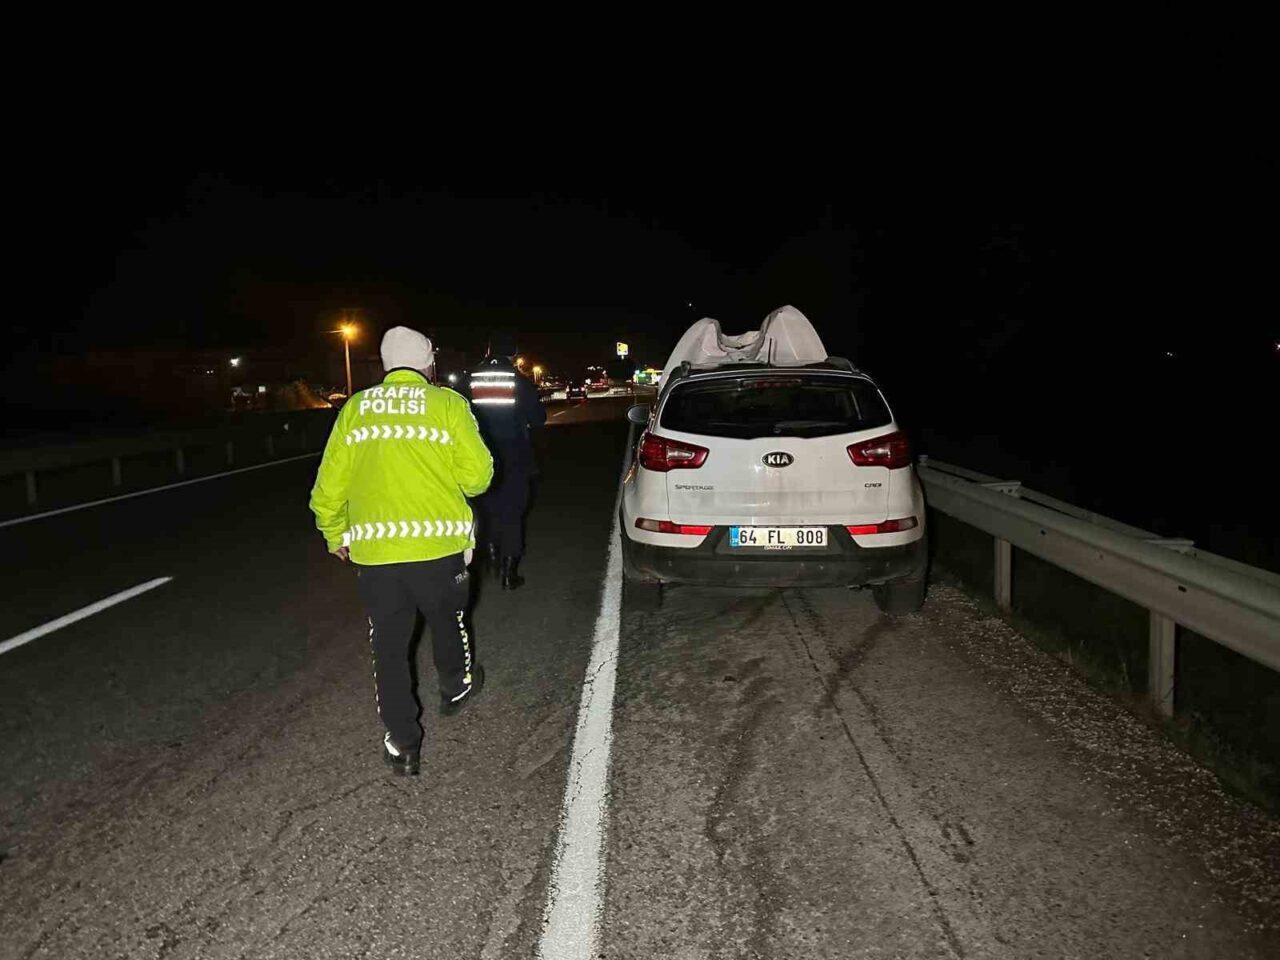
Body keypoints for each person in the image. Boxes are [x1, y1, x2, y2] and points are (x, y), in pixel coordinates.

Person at [310, 326, 494, 776]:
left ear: (385, 364)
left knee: (388, 647)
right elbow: (478, 479)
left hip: (377, 557)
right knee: (448, 620)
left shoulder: (355, 409)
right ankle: (456, 686)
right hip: (439, 549)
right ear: (428, 363)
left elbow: (328, 488)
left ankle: (403, 744)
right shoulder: (447, 404)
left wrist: (335, 534)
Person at [467, 332, 546, 589]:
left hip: (477, 454)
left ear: (488, 351)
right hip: (514, 456)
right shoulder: (518, 381)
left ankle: (490, 553)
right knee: (512, 512)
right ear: (513, 355)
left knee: (485, 509)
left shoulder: (469, 378)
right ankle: (509, 573)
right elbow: (538, 418)